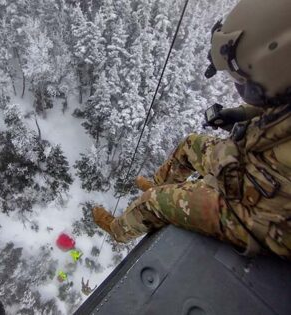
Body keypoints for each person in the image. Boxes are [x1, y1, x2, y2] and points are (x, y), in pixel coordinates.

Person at [92, 0, 291, 259]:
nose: (241, 88)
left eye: (244, 81)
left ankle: (117, 231)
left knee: (156, 203)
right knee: (190, 145)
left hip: (267, 216)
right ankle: (157, 183)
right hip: (256, 171)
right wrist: (243, 114)